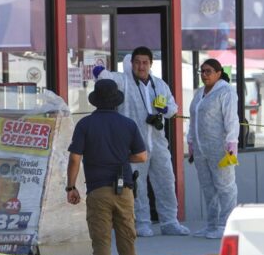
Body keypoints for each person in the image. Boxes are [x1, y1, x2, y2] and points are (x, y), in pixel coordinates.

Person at [66, 79, 147, 255]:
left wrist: (71, 187)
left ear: (95, 101)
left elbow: (74, 158)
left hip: (98, 190)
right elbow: (142, 156)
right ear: (116, 102)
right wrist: (121, 158)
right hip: (125, 191)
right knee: (127, 241)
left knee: (101, 243)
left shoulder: (85, 124)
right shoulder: (128, 124)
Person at [96, 47, 190, 237]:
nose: (141, 66)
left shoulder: (160, 85)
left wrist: (164, 110)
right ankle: (142, 223)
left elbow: (173, 108)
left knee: (166, 182)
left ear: (150, 64)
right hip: (134, 145)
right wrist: (98, 70)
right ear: (132, 64)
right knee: (138, 186)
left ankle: (170, 222)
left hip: (158, 143)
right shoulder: (124, 82)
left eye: (145, 62)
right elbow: (104, 78)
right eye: (137, 62)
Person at [187, 59, 240, 239]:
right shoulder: (200, 93)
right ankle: (212, 225)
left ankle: (226, 225)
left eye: (208, 71)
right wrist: (191, 141)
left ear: (218, 73)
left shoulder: (226, 92)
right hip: (202, 149)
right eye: (201, 71)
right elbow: (193, 118)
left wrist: (231, 142)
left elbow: (231, 119)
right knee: (208, 188)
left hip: (221, 148)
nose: (204, 75)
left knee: (225, 187)